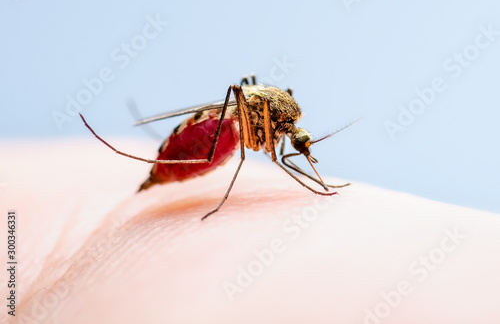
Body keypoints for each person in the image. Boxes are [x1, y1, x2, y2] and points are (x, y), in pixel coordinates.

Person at [2, 140, 499, 324]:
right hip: (220, 131)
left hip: (231, 127)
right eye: (303, 145)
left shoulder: (282, 128)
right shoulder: (265, 125)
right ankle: (176, 167)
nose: (302, 150)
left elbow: (286, 151)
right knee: (239, 127)